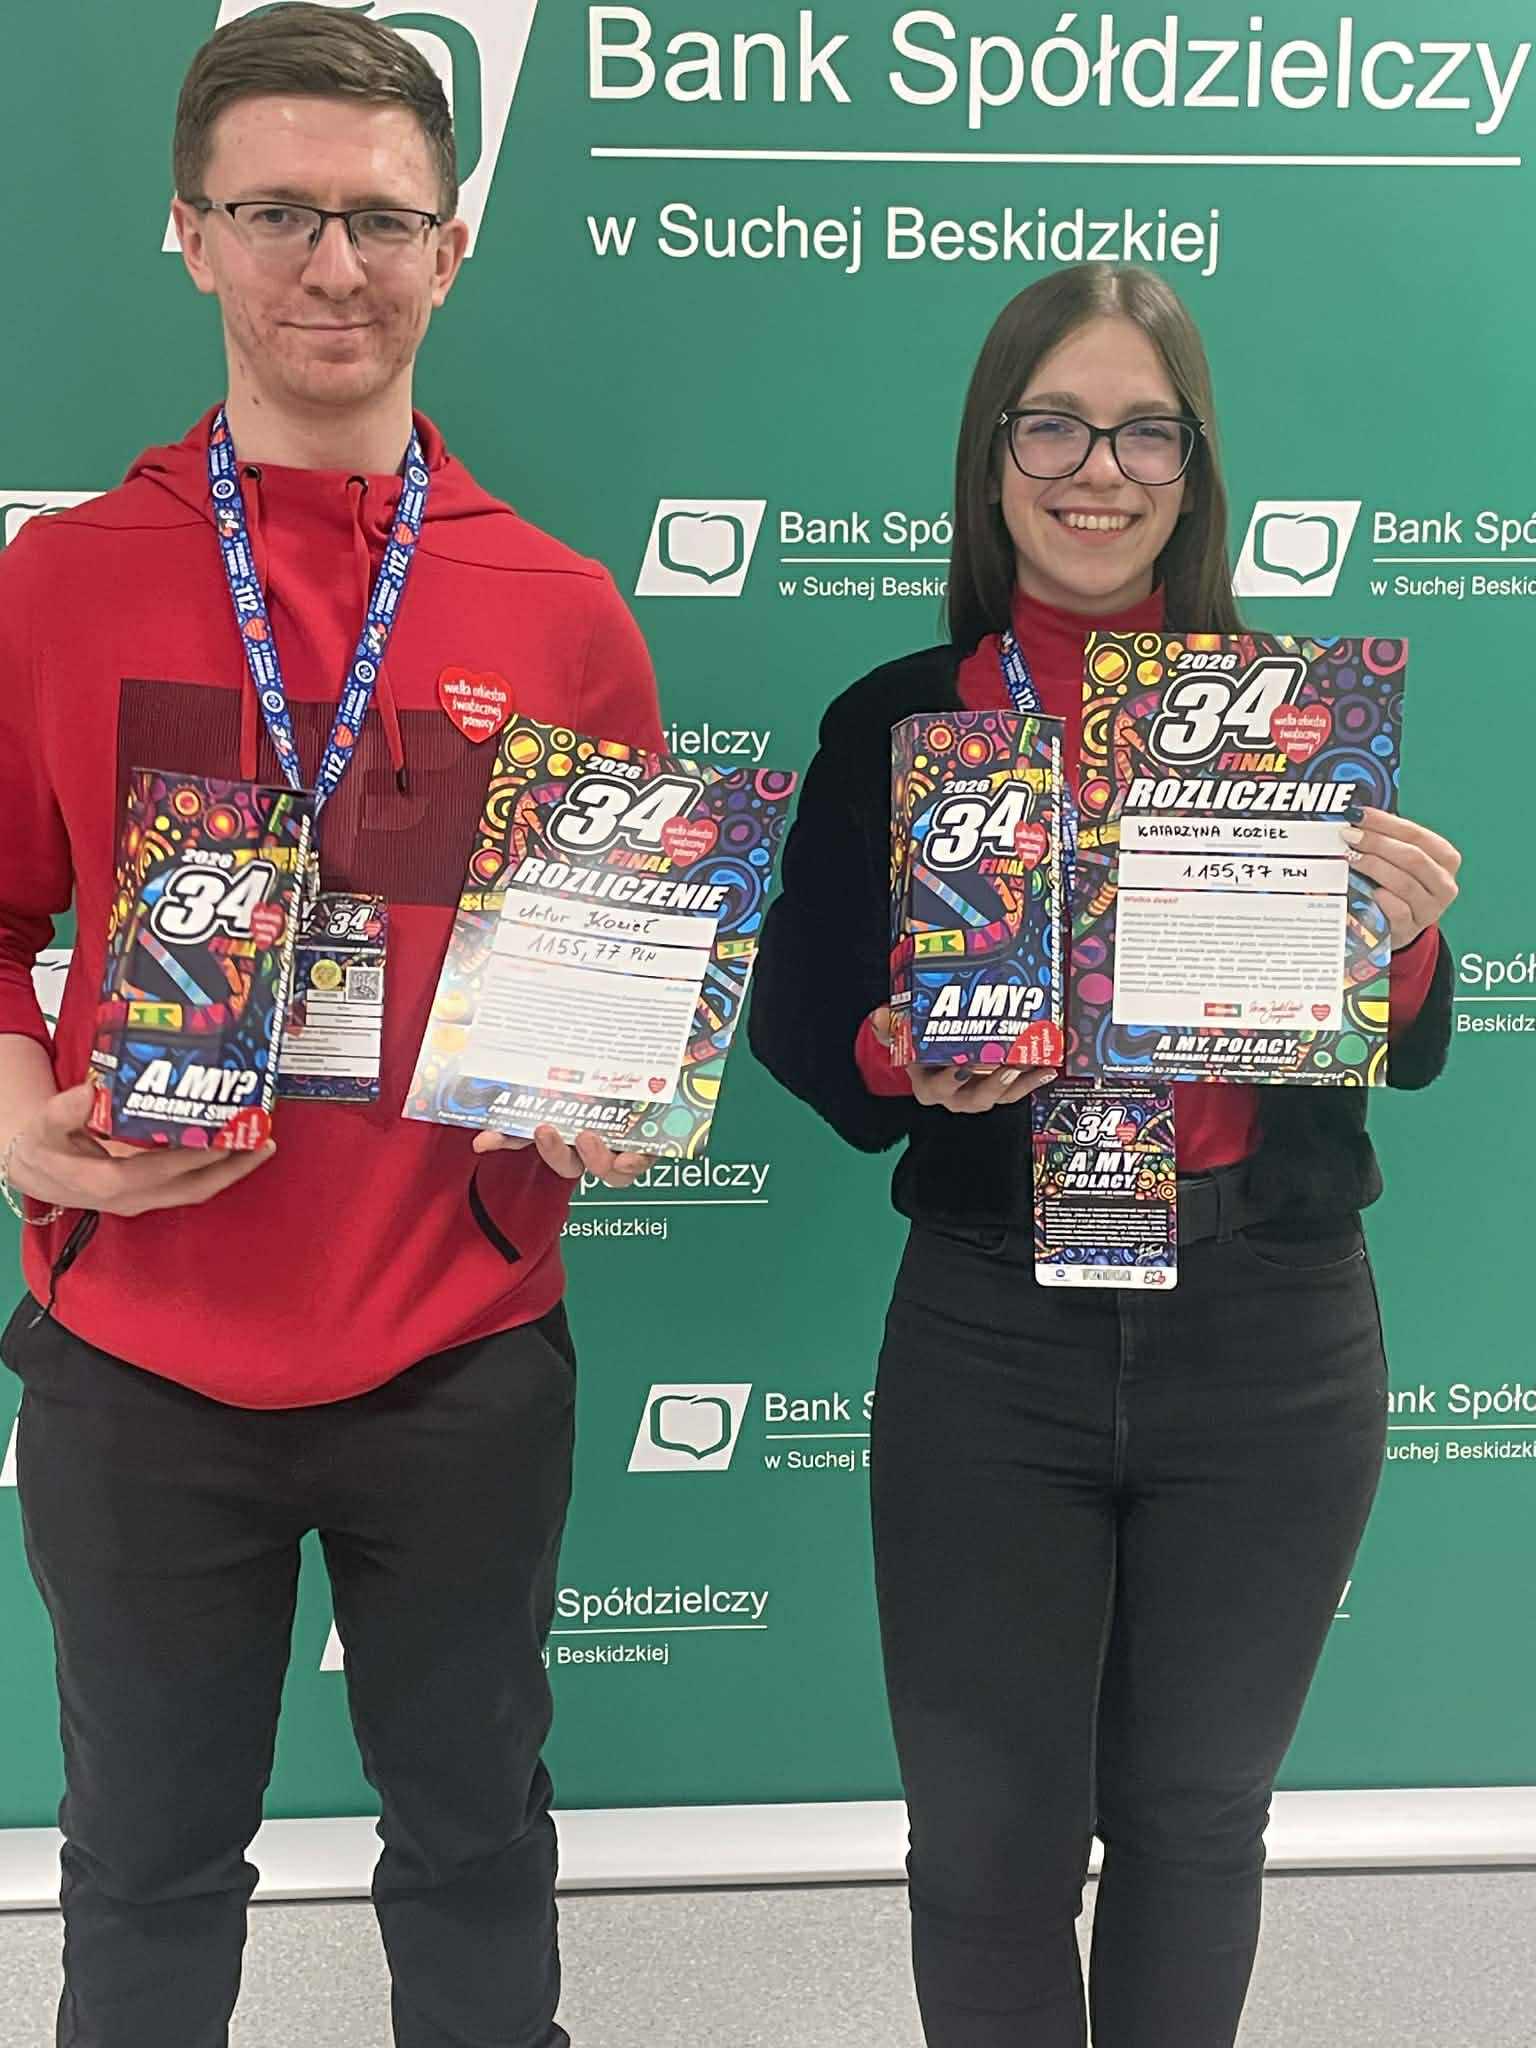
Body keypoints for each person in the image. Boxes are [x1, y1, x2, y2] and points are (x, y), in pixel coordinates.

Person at [0, 8, 660, 2045]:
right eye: (279, 211)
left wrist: (611, 1097)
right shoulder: (58, 584)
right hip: (139, 1349)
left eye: (380, 219)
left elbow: (617, 967)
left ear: (451, 248)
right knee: (143, 1873)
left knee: (476, 1849)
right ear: (191, 232)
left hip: (459, 1353)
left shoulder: (562, 609)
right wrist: (10, 1115)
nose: (333, 264)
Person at [749, 263, 1459, 2048]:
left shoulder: (1291, 711)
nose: (1099, 469)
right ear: (992, 456)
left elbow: (1399, 1048)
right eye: (1055, 425)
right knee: (985, 1850)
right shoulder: (898, 714)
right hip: (997, 1331)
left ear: (1194, 468)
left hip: (1271, 1328)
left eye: (1148, 432)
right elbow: (806, 1023)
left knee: (1199, 1825)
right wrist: (901, 1054)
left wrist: (1405, 940)